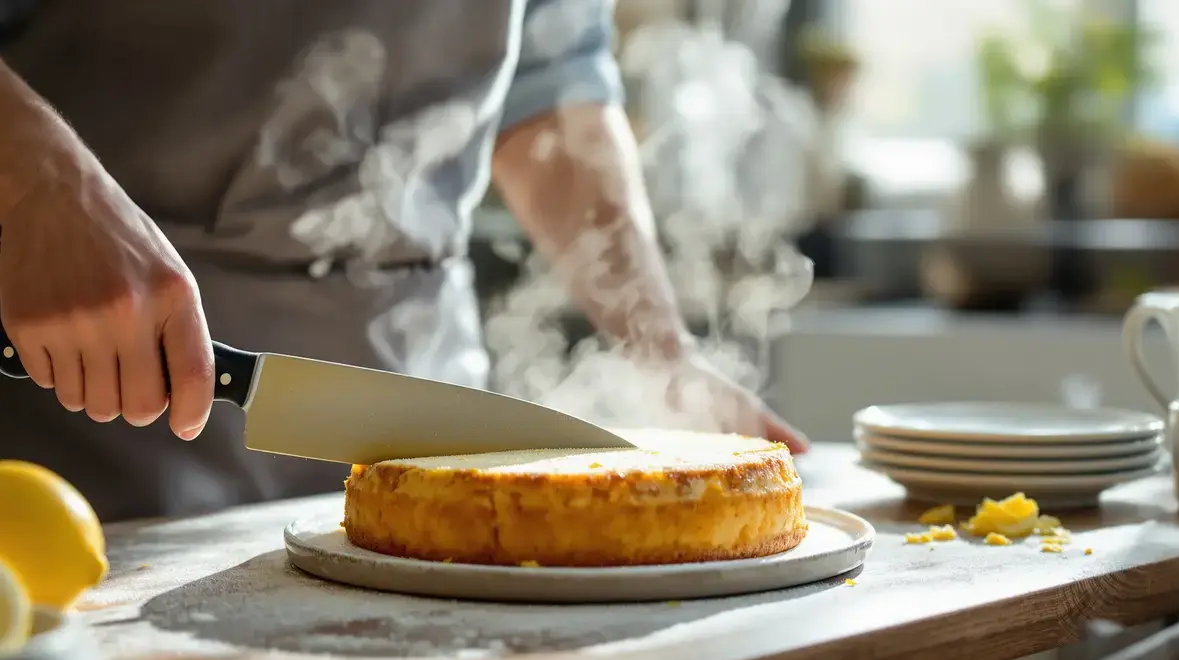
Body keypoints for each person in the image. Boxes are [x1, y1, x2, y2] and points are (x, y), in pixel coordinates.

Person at [0, 1, 808, 523]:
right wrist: (41, 182)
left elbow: (554, 89)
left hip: (420, 394)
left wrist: (660, 350)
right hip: (104, 394)